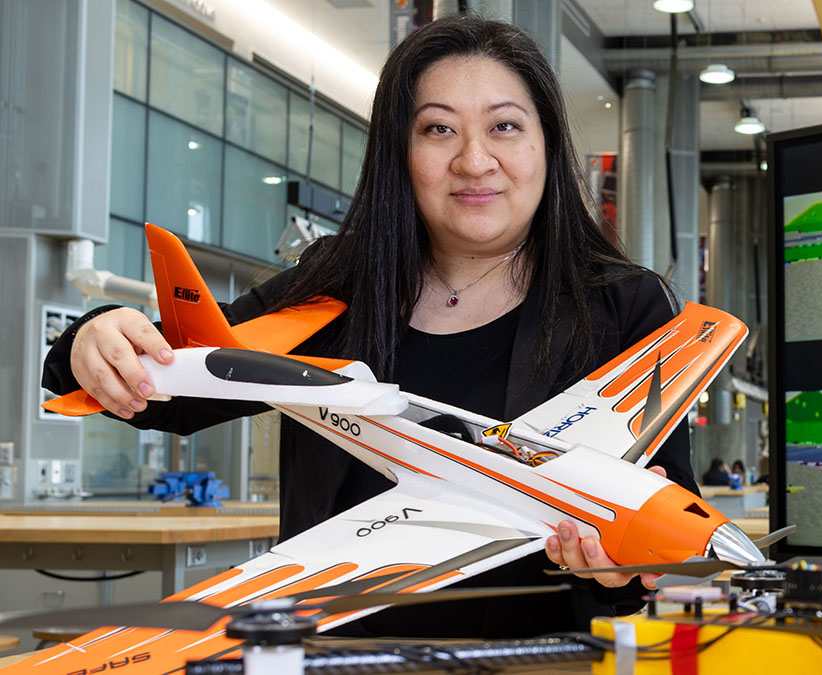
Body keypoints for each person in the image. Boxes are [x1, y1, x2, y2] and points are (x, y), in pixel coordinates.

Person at [41, 15, 695, 639]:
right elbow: (174, 386)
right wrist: (92, 340)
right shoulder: (335, 286)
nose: (475, 160)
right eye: (438, 130)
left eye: (504, 126)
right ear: (399, 152)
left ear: (546, 144)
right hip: (332, 656)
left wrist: (621, 571)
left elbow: (669, 530)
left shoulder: (626, 308)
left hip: (542, 661)